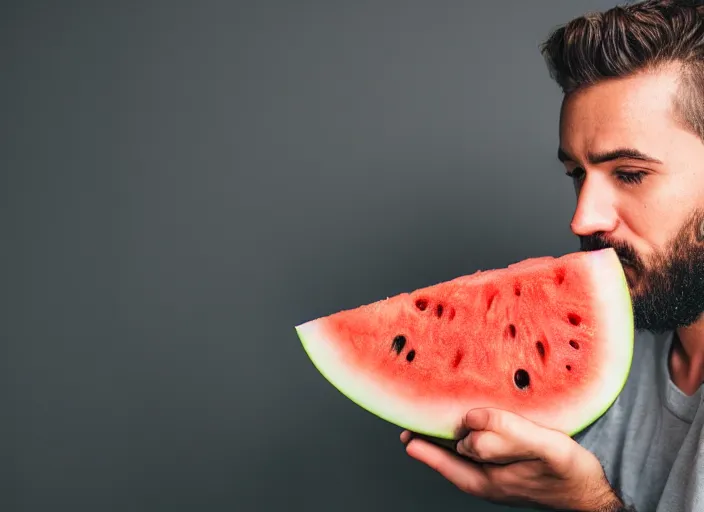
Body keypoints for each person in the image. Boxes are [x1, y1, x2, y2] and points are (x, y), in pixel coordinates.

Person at [398, 1, 704, 510]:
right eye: (577, 175)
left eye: (629, 174)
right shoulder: (622, 340)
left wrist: (587, 501)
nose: (583, 219)